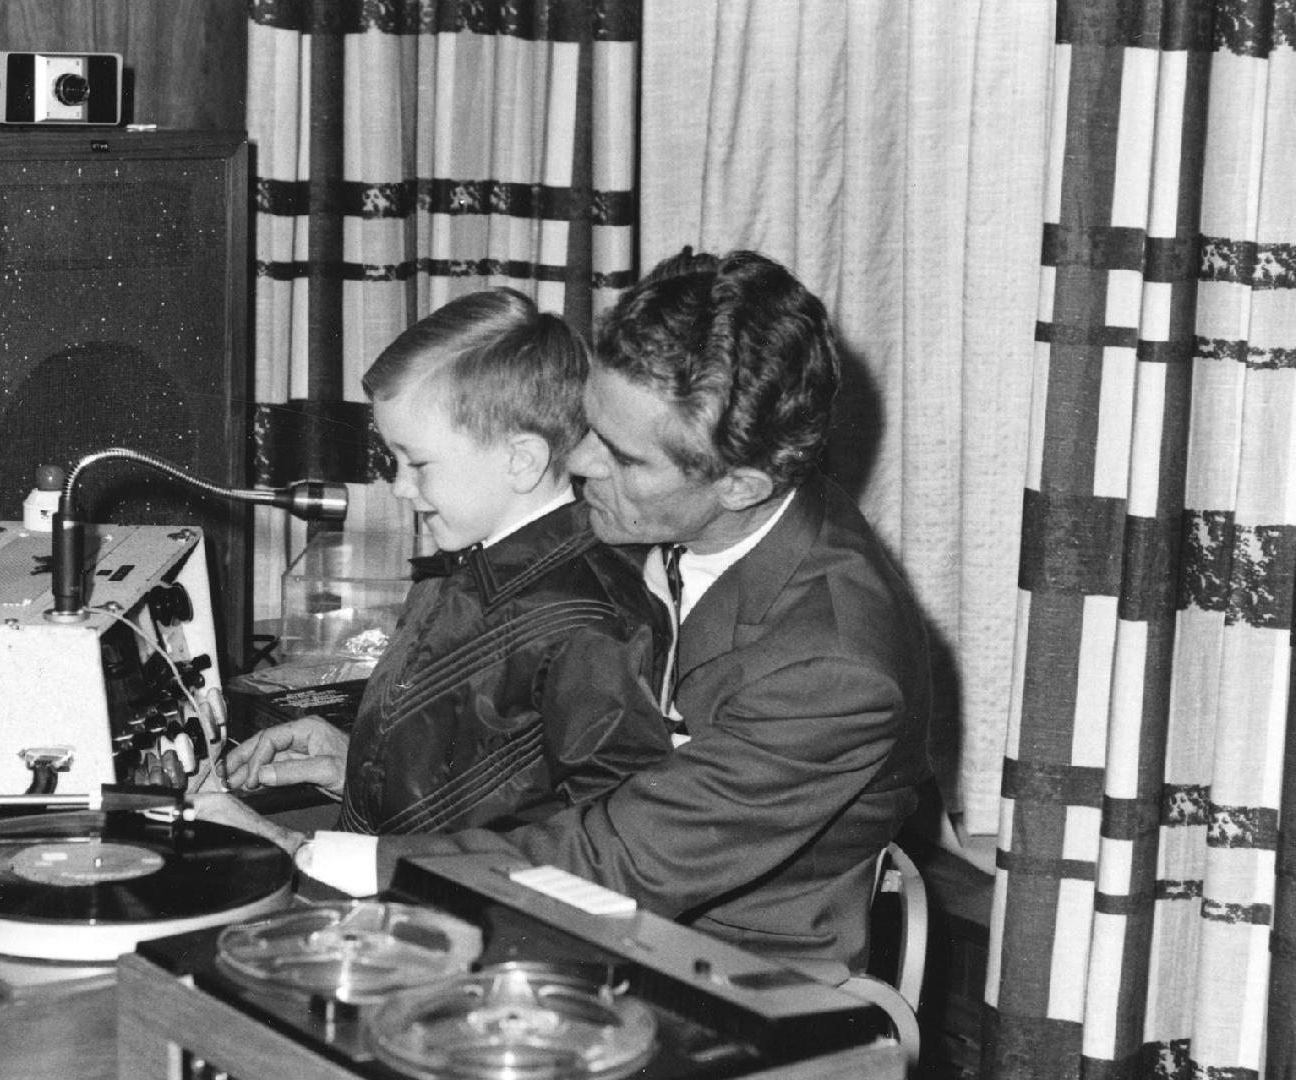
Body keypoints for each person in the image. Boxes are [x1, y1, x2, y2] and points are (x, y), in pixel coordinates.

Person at [202, 251, 932, 980]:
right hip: (602, 919)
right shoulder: (690, 520)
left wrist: (305, 853)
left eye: (623, 456)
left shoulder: (831, 669)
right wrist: (367, 769)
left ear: (740, 485)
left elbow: (610, 861)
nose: (577, 462)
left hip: (723, 978)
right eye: (588, 423)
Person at [242, 286, 672, 836]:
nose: (400, 488)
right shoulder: (471, 571)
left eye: (417, 463)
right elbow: (489, 781)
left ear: (520, 461)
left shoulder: (583, 619)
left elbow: (595, 841)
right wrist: (359, 771)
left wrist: (293, 846)